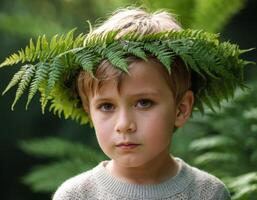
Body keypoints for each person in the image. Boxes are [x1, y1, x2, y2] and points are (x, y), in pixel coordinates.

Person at [1, 6, 251, 200]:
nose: (124, 125)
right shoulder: (76, 195)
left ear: (181, 108)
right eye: (107, 106)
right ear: (89, 111)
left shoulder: (207, 192)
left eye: (144, 103)